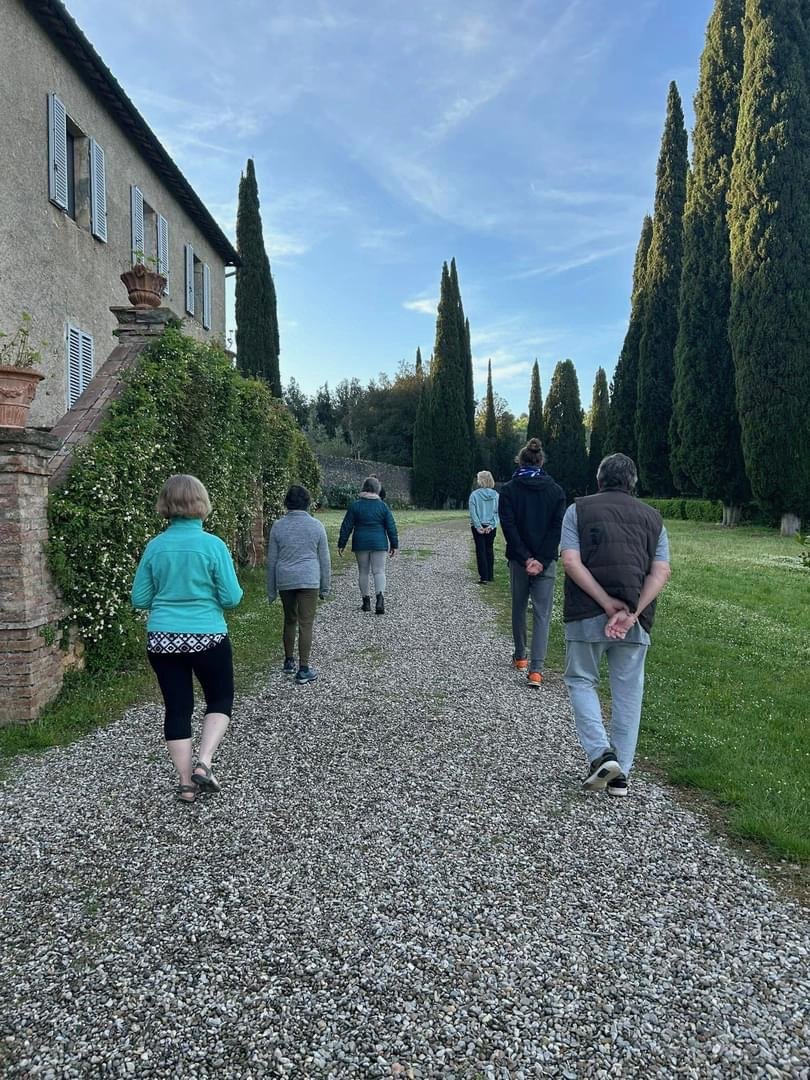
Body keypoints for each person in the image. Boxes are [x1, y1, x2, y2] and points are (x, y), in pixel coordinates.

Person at [560, 453, 671, 797]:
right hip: (634, 622)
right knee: (628, 694)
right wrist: (633, 612)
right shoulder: (654, 518)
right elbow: (661, 571)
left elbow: (571, 561)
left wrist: (606, 603)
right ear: (633, 483)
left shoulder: (578, 510)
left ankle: (600, 754)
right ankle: (620, 775)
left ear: (599, 479)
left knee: (581, 679)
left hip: (587, 613)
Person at [131, 474, 243, 805]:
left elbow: (139, 598)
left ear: (166, 505)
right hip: (207, 636)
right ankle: (204, 762)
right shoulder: (214, 546)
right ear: (201, 503)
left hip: (163, 639)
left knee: (177, 708)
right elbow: (231, 598)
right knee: (220, 699)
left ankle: (185, 785)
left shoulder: (155, 546)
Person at [499, 438, 566, 689]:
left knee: (518, 607)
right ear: (541, 461)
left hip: (519, 560)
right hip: (545, 561)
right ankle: (537, 670)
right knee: (542, 614)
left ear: (520, 460)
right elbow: (556, 528)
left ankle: (520, 656)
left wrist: (525, 557)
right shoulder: (556, 491)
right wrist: (542, 558)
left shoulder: (508, 490)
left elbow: (509, 526)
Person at [266, 484, 331, 685]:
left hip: (285, 578)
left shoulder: (278, 526)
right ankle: (304, 668)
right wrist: (325, 586)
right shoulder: (316, 526)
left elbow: (272, 560)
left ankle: (288, 661)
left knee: (289, 619)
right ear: (308, 503)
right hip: (309, 578)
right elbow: (324, 559)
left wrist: (271, 590)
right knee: (306, 623)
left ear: (287, 503)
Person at [338, 476, 399, 614]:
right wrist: (394, 544)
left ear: (363, 488)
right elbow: (391, 526)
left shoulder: (355, 506)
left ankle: (366, 602)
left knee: (363, 572)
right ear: (378, 489)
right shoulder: (383, 506)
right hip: (379, 543)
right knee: (379, 571)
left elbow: (346, 526)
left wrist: (342, 543)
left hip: (361, 542)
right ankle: (380, 599)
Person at [468, 470, 500, 584]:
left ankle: (484, 577)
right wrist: (491, 526)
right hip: (491, 526)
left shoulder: (474, 495)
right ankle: (490, 575)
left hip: (478, 526)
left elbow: (473, 513)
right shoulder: (496, 495)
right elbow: (497, 513)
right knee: (489, 549)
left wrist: (478, 526)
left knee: (480, 550)